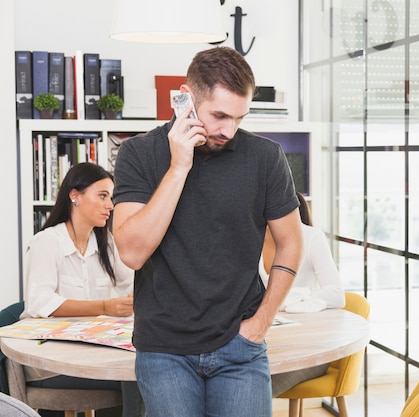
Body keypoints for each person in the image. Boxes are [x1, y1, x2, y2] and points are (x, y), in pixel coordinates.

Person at [111, 46, 303, 417]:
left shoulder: (266, 158)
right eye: (219, 115)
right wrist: (179, 166)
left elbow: (291, 242)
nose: (228, 130)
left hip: (240, 346)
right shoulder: (138, 153)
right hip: (163, 349)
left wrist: (261, 321)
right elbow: (133, 252)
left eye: (239, 117)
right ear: (186, 97)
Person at [20, 162, 145, 417]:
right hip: (51, 364)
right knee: (137, 377)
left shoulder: (107, 245)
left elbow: (133, 283)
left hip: (91, 355)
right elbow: (39, 302)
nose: (110, 205)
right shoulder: (47, 242)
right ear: (75, 196)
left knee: (146, 369)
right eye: (102, 196)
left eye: (111, 197)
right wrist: (104, 307)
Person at [260, 192, 345, 396]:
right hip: (268, 343)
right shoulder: (253, 238)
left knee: (252, 385)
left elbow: (336, 294)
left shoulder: (312, 238)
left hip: (307, 351)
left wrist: (295, 299)